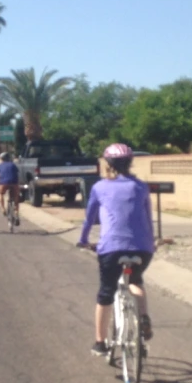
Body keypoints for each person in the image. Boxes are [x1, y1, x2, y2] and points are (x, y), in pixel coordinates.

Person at [77, 143, 155, 357]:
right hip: (142, 248)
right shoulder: (140, 186)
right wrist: (151, 242)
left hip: (111, 248)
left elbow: (89, 219)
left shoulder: (100, 187)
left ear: (108, 163)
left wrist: (83, 240)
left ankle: (100, 343)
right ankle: (144, 318)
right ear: (130, 162)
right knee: (136, 282)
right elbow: (148, 219)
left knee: (106, 293)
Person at [0, 152, 21, 225]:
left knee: (0, 194)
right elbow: (16, 175)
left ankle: (3, 209)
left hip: (4, 183)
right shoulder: (13, 165)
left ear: (1, 159)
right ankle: (16, 213)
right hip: (14, 182)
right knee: (16, 196)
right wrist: (17, 185)